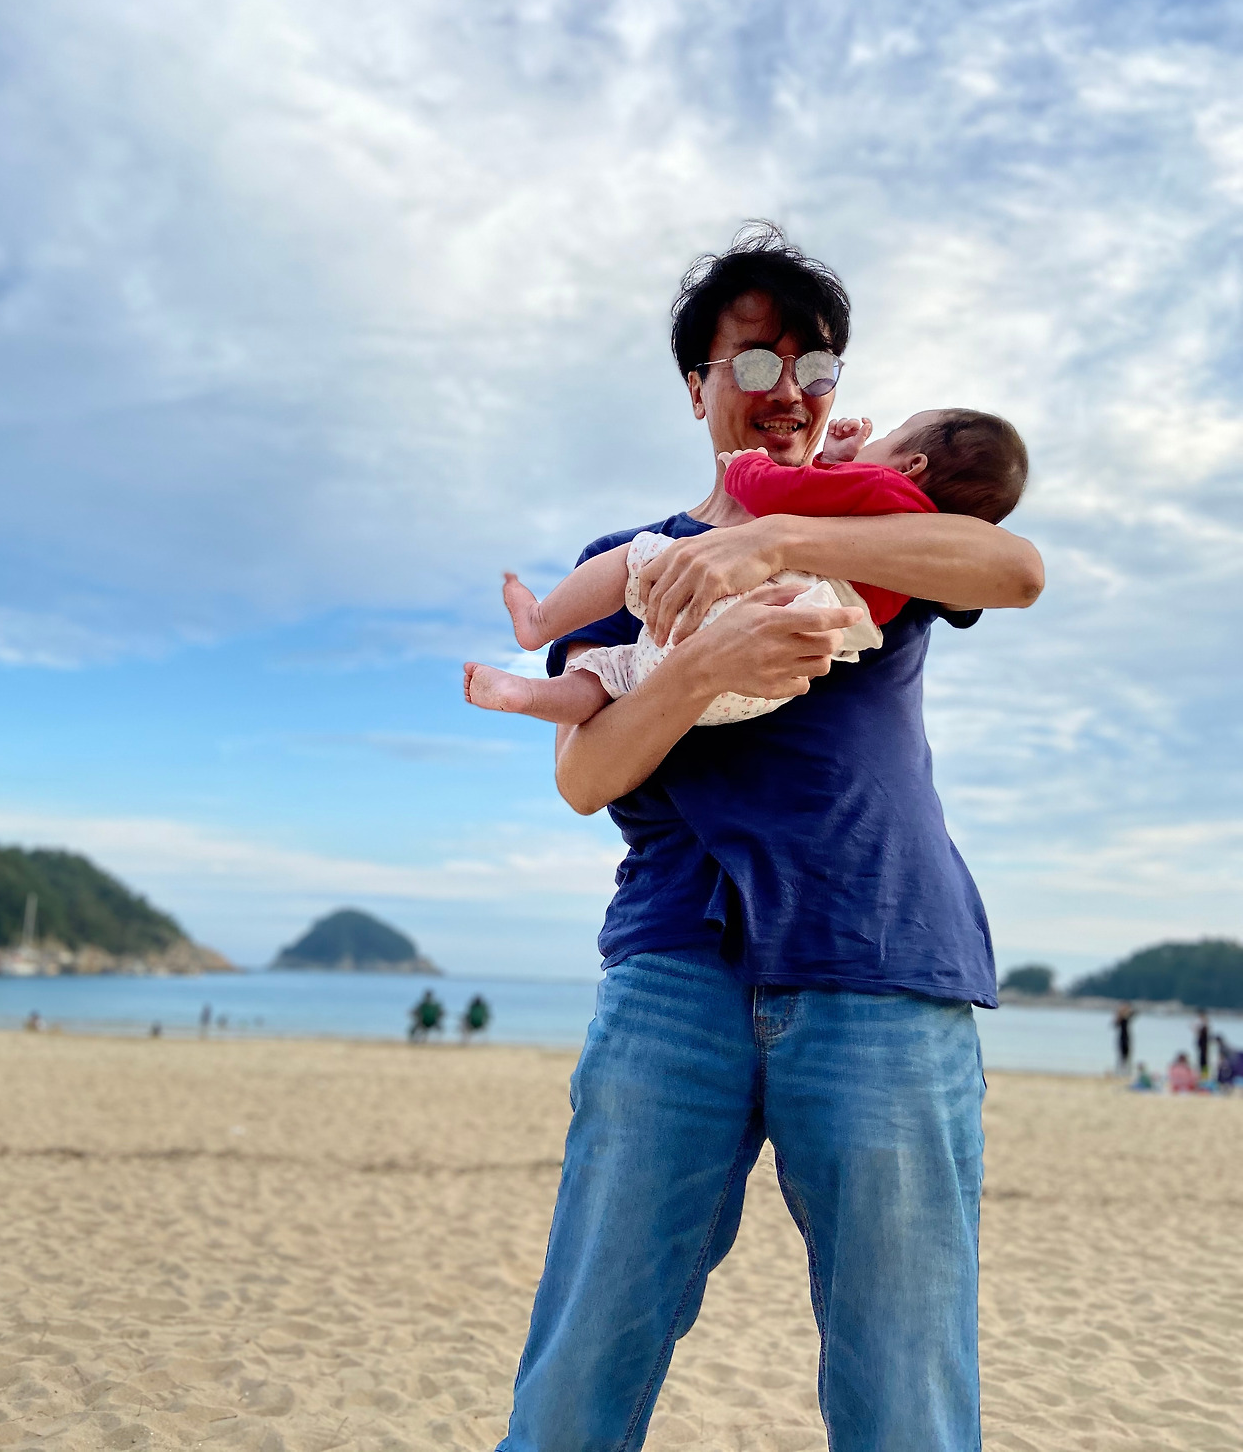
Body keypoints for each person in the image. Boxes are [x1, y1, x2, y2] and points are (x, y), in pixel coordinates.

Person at [487, 224, 1044, 1452]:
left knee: (904, 1390)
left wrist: (780, 539)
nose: (787, 390)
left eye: (814, 365)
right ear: (696, 387)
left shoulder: (878, 517)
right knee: (583, 1364)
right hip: (673, 970)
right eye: (750, 363)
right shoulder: (624, 565)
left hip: (883, 961)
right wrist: (703, 665)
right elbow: (583, 774)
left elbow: (1012, 568)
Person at [465, 409, 1028, 725]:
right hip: (757, 691)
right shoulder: (920, 549)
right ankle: (522, 694)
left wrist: (746, 468)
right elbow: (835, 501)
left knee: (636, 564)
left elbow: (789, 494)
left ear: (912, 464)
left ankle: (537, 628)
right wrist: (836, 461)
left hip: (728, 614)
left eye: (893, 434)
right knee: (623, 672)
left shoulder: (887, 490)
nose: (876, 441)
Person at [1113, 1002, 1136, 1077]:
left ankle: (1127, 1072)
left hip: (1127, 1037)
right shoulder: (1120, 1018)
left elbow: (1134, 1013)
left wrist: (1127, 1010)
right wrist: (1120, 1013)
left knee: (1127, 1055)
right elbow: (1115, 1025)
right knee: (1121, 1056)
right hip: (1122, 1038)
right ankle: (1119, 1072)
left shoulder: (1127, 1017)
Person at [1195, 1009, 1211, 1079]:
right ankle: (1204, 1074)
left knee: (1203, 1061)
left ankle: (1205, 1074)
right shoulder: (1203, 1026)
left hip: (1203, 1046)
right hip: (1203, 1045)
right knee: (1203, 1061)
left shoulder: (1204, 1026)